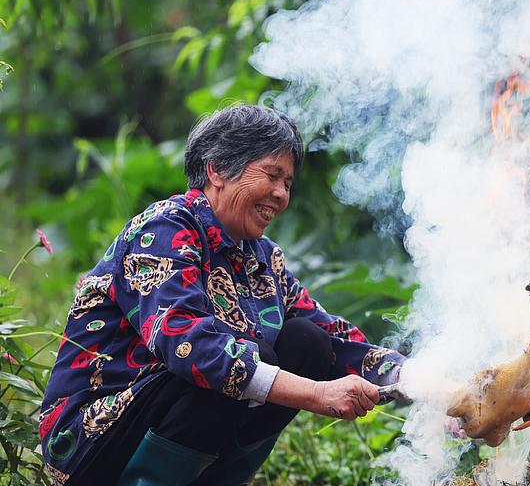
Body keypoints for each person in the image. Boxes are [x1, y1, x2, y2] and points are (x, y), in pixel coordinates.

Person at [39, 105, 404, 486]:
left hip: (166, 417)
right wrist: (316, 393)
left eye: (288, 183)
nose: (281, 194)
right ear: (216, 170)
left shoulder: (262, 256)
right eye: (272, 175)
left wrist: (412, 377)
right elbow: (191, 348)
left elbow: (332, 336)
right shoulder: (165, 229)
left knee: (307, 342)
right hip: (91, 438)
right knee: (238, 358)